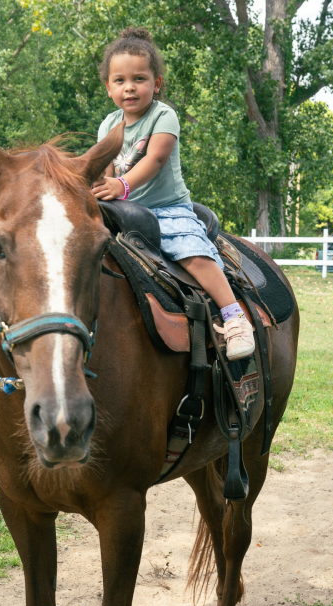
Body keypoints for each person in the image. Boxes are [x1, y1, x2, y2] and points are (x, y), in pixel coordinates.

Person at [91, 27, 255, 360]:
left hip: (166, 209)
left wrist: (121, 186)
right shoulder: (108, 124)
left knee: (190, 252)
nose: (129, 87)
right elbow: (104, 169)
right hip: (122, 211)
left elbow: (155, 158)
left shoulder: (163, 115)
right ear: (108, 87)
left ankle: (234, 316)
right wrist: (96, 191)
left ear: (157, 83)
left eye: (139, 79)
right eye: (120, 80)